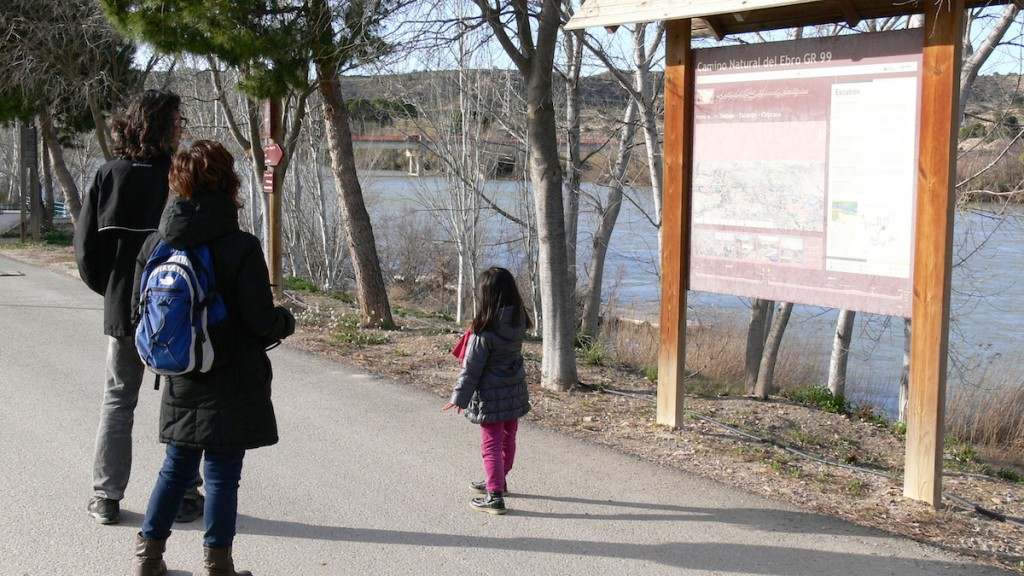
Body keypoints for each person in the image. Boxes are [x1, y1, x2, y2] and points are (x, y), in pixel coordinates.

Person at [131, 140, 295, 576]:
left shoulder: (155, 245)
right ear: (228, 182)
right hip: (232, 377)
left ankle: (148, 559)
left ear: (177, 182)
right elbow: (261, 321)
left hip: (181, 371)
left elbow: (137, 313)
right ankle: (218, 566)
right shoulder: (240, 246)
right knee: (222, 473)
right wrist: (286, 321)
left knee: (175, 467)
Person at [75, 89, 205, 525]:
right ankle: (187, 494)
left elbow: (86, 254)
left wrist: (115, 291)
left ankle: (106, 496)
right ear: (160, 125)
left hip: (123, 311)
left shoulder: (108, 175)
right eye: (177, 120)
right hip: (178, 311)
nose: (182, 128)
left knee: (118, 399)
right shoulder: (182, 177)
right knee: (182, 400)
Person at [442, 267, 532, 515]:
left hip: (491, 396)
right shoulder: (519, 320)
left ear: (486, 297)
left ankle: (495, 496)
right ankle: (499, 480)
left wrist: (458, 398)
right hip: (513, 391)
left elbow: (471, 368)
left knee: (490, 445)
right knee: (508, 438)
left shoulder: (484, 331)